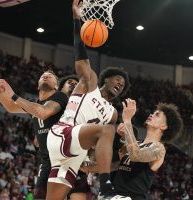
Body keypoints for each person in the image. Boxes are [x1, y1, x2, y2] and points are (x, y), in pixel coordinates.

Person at [45, 1, 130, 200]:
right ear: (105, 78)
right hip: (62, 134)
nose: (120, 84)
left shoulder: (113, 113)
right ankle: (106, 189)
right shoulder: (89, 82)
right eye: (117, 80)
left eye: (123, 85)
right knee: (106, 130)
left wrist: (92, 163)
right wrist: (77, 19)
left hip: (75, 154)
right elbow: (80, 52)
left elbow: (99, 147)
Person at [0, 60, 70, 199]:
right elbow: (10, 107)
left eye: (50, 76)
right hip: (46, 161)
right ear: (37, 86)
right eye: (43, 75)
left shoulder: (60, 97)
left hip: (63, 159)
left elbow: (43, 112)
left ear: (56, 86)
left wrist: (13, 95)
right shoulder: (34, 105)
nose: (45, 76)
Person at [110, 99, 183, 200]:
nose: (151, 114)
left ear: (164, 126)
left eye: (157, 115)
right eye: (153, 113)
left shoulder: (159, 148)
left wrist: (127, 120)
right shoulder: (136, 144)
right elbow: (113, 166)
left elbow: (135, 155)